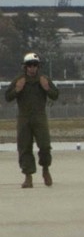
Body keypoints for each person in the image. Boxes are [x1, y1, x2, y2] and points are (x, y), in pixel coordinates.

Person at [8, 53, 61, 189]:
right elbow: (7, 96)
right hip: (24, 118)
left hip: (40, 117)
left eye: (35, 65)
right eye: (30, 65)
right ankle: (28, 176)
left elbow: (55, 95)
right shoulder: (19, 80)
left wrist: (47, 88)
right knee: (24, 147)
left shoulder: (43, 79)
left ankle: (45, 169)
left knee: (44, 146)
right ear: (25, 67)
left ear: (38, 67)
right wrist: (17, 90)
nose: (32, 68)